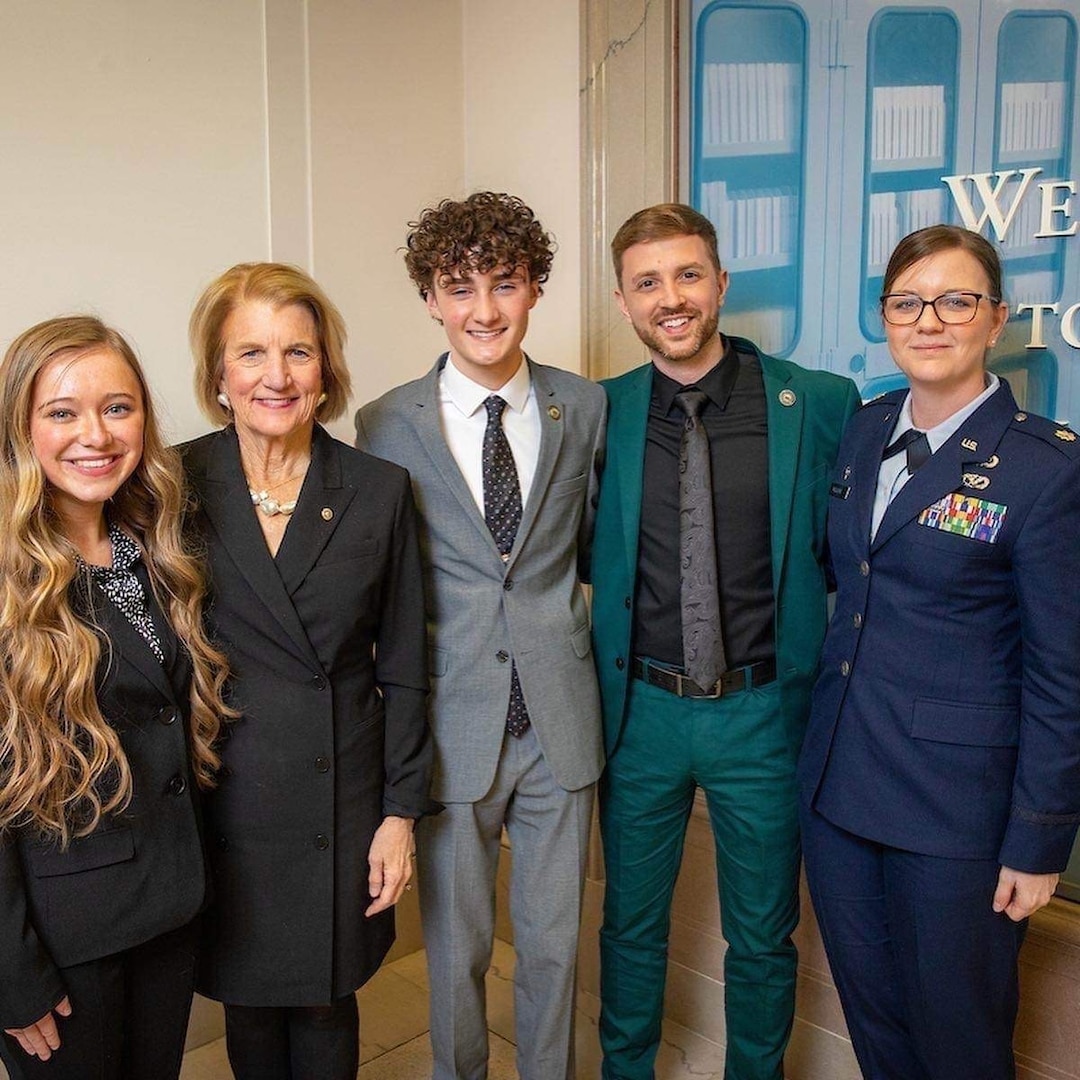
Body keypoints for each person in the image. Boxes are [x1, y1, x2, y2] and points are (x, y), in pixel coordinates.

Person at [798, 224, 1080, 1079]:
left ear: (996, 320)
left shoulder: (1046, 470)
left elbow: (1063, 674)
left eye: (956, 301)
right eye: (907, 302)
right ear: (885, 317)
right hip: (841, 791)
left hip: (957, 816)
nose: (930, 320)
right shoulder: (866, 426)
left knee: (959, 1040)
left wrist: (1038, 840)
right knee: (876, 1029)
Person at [590, 203, 861, 1080]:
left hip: (763, 714)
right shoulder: (603, 413)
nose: (671, 298)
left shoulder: (816, 403)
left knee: (763, 931)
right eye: (647, 282)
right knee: (629, 924)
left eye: (687, 275)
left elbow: (852, 558)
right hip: (642, 718)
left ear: (720, 283)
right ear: (626, 302)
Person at [356, 191, 606, 1080]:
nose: (484, 310)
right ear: (430, 297)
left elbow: (596, 551)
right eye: (459, 289)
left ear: (535, 287)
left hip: (560, 720)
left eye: (504, 284)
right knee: (454, 955)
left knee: (553, 950)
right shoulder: (386, 424)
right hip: (450, 723)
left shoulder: (585, 408)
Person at [181, 263, 438, 1080]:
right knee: (250, 1007)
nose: (277, 375)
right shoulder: (171, 483)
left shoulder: (377, 489)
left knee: (328, 1000)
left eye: (299, 351)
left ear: (325, 368)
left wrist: (400, 814)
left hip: (342, 794)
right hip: (224, 794)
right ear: (218, 375)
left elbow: (405, 666)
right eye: (251, 353)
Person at [0, 316, 231, 1080]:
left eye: (118, 407)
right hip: (64, 947)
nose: (94, 434)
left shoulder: (148, 546)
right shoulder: (9, 575)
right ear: (20, 427)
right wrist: (10, 971)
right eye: (62, 411)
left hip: (166, 909)